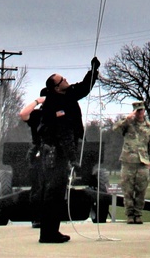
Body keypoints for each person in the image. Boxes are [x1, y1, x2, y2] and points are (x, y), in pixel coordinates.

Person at [36, 59, 100, 245]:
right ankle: (47, 234)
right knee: (53, 193)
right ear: (56, 87)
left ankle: (51, 231)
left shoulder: (68, 94)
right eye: (62, 79)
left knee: (57, 193)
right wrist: (73, 159)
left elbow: (84, 88)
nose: (66, 80)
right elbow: (63, 134)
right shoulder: (53, 104)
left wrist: (93, 70)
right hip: (55, 154)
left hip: (62, 151)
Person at [115, 102, 150, 225]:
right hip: (128, 161)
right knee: (127, 190)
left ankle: (138, 214)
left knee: (141, 190)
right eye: (137, 110)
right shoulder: (128, 124)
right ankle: (130, 215)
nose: (140, 112)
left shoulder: (149, 126)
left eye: (141, 110)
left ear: (144, 111)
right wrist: (127, 118)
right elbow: (116, 128)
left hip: (142, 162)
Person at [19, 86, 48, 229]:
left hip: (54, 151)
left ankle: (49, 218)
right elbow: (23, 114)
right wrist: (37, 101)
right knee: (38, 187)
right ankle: (36, 218)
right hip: (39, 151)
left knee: (51, 187)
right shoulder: (37, 114)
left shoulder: (58, 112)